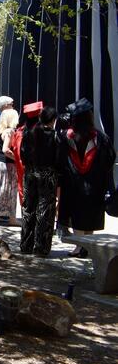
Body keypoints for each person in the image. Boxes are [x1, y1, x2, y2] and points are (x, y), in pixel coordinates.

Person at [58, 98, 116, 257]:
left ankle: (78, 246)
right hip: (94, 184)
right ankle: (87, 245)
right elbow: (111, 158)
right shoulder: (101, 137)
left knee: (75, 212)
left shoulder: (66, 137)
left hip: (73, 183)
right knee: (89, 213)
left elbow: (60, 158)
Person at [20, 106, 63, 256]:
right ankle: (41, 247)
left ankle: (26, 244)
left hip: (30, 173)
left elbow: (23, 155)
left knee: (28, 208)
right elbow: (59, 159)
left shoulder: (28, 133)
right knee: (45, 210)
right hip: (48, 175)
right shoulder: (56, 136)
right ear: (53, 120)